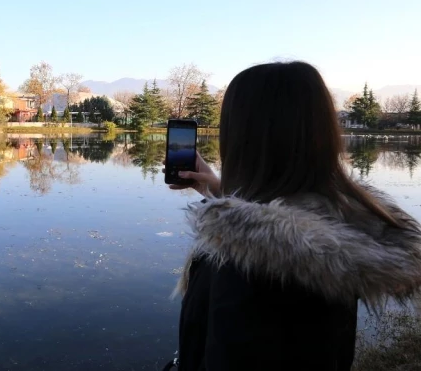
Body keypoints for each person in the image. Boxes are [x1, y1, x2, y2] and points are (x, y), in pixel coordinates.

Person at [163, 61, 421, 371]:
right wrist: (218, 189)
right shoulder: (339, 233)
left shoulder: (249, 264)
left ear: (240, 139)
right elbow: (287, 220)